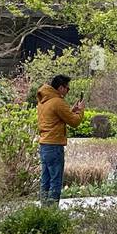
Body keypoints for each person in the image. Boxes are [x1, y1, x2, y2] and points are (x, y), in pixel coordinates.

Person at [36, 74, 85, 205]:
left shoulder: (44, 100)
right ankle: (52, 211)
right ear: (61, 87)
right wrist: (80, 111)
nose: (67, 91)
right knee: (55, 180)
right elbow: (74, 122)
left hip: (44, 144)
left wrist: (70, 110)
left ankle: (44, 209)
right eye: (67, 88)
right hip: (54, 145)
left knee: (45, 179)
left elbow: (55, 117)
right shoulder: (58, 101)